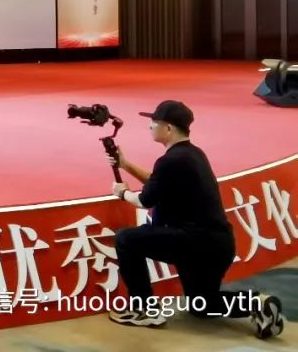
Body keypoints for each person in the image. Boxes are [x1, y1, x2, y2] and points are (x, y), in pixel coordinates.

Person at [108, 100, 284, 338]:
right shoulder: (193, 154)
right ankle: (256, 304)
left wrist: (122, 193)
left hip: (193, 242)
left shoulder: (171, 160)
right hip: (218, 244)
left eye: (154, 123)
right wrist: (126, 165)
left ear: (168, 128)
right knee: (202, 304)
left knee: (126, 239)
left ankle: (143, 309)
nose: (150, 127)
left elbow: (145, 200)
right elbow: (158, 183)